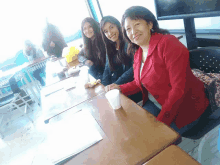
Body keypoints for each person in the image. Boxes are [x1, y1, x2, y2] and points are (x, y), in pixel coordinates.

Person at [106, 6, 209, 135]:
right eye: (128, 29)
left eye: (137, 24)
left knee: (150, 140)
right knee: (130, 129)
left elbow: (178, 90)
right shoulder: (138, 53)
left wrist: (160, 123)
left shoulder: (168, 44)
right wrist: (119, 88)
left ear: (149, 24)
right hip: (155, 104)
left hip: (184, 111)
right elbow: (140, 83)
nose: (133, 31)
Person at [100, 16, 134, 86]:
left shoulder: (129, 43)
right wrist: (104, 86)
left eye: (111, 27)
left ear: (117, 26)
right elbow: (107, 69)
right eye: (106, 31)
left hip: (129, 87)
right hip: (116, 88)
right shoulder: (111, 47)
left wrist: (116, 84)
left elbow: (134, 68)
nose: (110, 33)